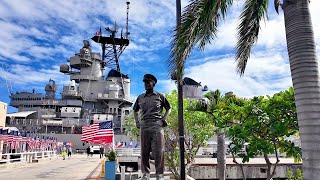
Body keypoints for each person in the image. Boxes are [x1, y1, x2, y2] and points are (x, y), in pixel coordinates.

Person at [133, 74, 171, 180]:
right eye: (144, 83)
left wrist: (164, 119)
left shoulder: (160, 96)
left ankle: (159, 174)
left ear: (153, 84)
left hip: (157, 125)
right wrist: (137, 122)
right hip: (144, 125)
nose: (146, 84)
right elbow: (135, 110)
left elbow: (169, 108)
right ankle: (145, 174)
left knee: (159, 150)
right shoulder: (140, 97)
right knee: (144, 150)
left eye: (148, 82)